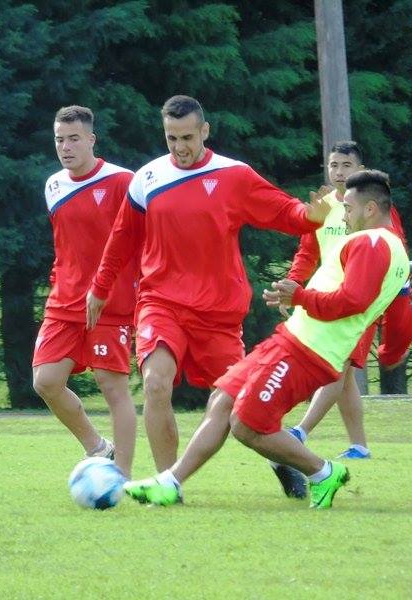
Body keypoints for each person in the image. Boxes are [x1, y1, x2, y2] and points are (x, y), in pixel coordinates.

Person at [123, 169, 409, 509]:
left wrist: (300, 297)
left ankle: (322, 472)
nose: (343, 215)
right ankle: (169, 483)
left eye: (347, 207)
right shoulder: (397, 254)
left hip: (310, 352)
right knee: (223, 399)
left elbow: (353, 301)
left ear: (371, 209)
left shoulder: (372, 242)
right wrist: (392, 350)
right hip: (292, 339)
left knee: (246, 425)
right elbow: (404, 317)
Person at [86, 95, 331, 471]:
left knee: (246, 406)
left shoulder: (234, 175)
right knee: (155, 383)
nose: (180, 147)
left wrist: (309, 215)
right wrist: (100, 288)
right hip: (160, 301)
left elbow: (284, 211)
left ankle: (285, 465)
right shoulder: (147, 179)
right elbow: (121, 239)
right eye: (172, 138)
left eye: (187, 137)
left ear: (204, 131)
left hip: (218, 312)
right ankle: (167, 482)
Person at [270, 142, 412, 499]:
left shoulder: (374, 212)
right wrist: (294, 284)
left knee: (339, 367)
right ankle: (359, 444)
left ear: (360, 168)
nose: (337, 171)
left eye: (345, 164)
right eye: (333, 164)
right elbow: (307, 252)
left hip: (357, 303)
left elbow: (396, 257)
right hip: (328, 300)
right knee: (346, 375)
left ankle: (300, 433)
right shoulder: (323, 207)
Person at [32, 105, 139, 476]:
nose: (66, 146)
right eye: (60, 139)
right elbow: (66, 245)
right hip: (64, 300)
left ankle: (121, 477)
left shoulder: (123, 181)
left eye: (74, 138)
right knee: (46, 381)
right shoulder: (53, 185)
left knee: (112, 387)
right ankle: (98, 448)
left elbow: (142, 241)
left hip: (112, 302)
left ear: (91, 139)